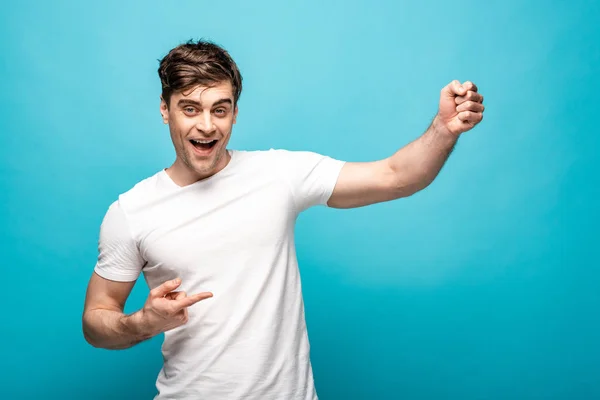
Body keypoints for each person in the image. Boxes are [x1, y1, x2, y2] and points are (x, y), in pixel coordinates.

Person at [82, 39, 485, 399]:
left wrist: (444, 129)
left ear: (235, 114)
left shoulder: (279, 174)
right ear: (165, 110)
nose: (207, 125)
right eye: (190, 108)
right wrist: (143, 322)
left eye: (219, 110)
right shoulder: (131, 210)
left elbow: (396, 177)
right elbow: (96, 320)